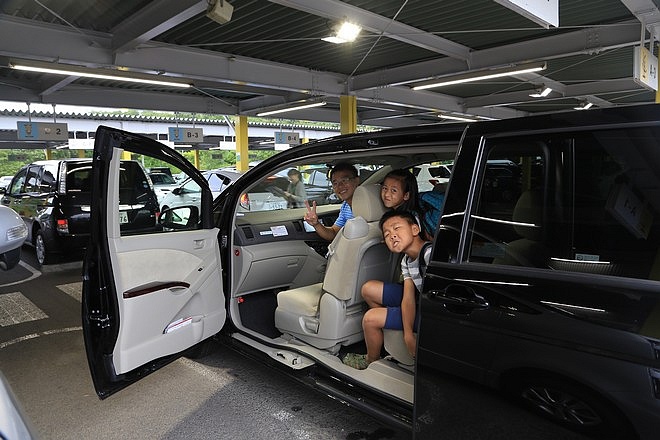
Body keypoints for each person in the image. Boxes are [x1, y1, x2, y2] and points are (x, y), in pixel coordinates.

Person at [343, 210, 431, 370]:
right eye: (387, 234)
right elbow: (408, 298)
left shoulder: (429, 255)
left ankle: (371, 359)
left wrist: (409, 335)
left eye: (397, 228)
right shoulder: (406, 260)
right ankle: (386, 332)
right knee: (368, 289)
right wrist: (407, 332)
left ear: (415, 230)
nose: (392, 235)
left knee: (370, 319)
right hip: (419, 301)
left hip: (431, 313)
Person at [303, 162, 359, 241]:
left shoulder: (369, 206)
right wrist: (316, 224)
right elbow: (334, 233)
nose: (339, 186)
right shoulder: (345, 206)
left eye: (344, 180)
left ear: (356, 180)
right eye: (335, 183)